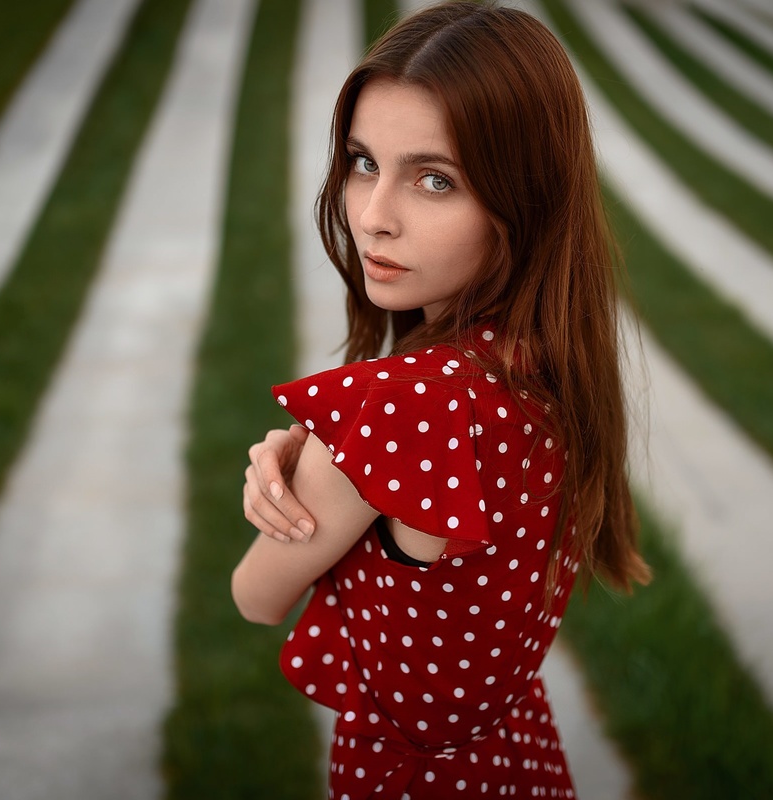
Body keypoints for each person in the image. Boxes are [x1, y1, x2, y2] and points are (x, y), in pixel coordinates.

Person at [231, 2, 648, 797]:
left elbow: (255, 594)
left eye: (434, 179)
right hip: (517, 761)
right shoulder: (547, 364)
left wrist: (308, 472)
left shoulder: (406, 405)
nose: (373, 217)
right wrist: (326, 455)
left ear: (522, 200)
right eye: (361, 162)